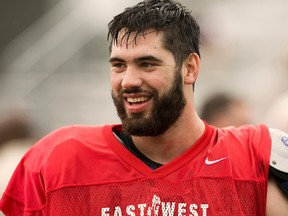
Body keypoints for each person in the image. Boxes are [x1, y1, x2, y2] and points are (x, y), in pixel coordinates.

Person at [1, 0, 287, 215]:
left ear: (189, 68)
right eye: (118, 65)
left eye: (147, 64)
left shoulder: (254, 158)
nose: (128, 80)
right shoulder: (58, 160)